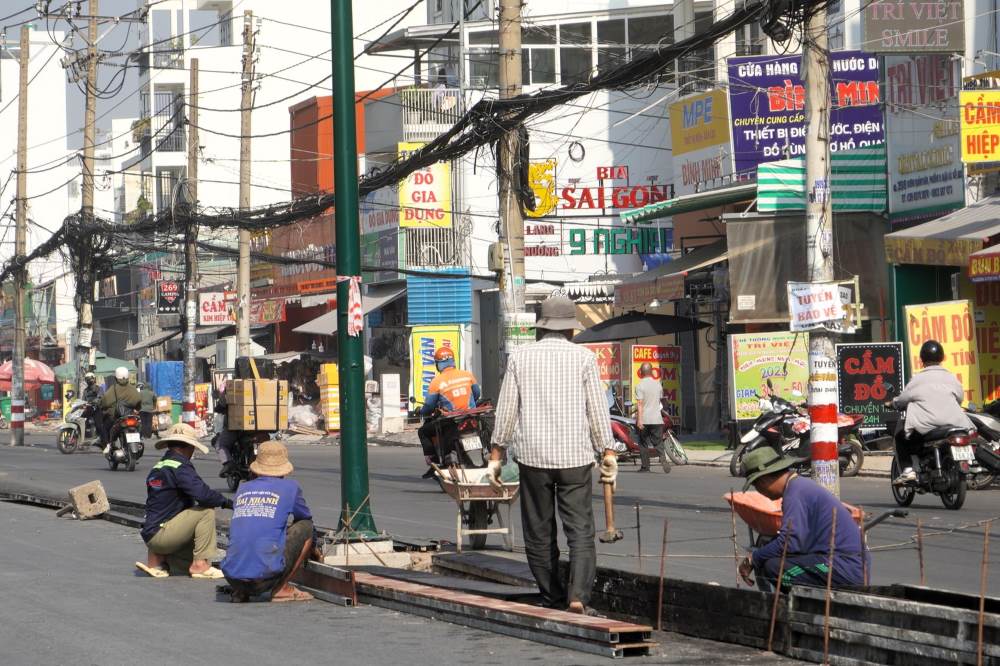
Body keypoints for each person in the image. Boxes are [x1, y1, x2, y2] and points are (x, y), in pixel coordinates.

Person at [487, 294, 616, 615]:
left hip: (533, 458)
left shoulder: (520, 358)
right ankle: (577, 598)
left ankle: (554, 596)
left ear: (540, 328)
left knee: (539, 532)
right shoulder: (584, 359)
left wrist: (495, 454)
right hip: (575, 458)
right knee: (580, 531)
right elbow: (597, 411)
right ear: (571, 329)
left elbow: (506, 411)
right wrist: (608, 451)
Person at [738, 447, 866, 590]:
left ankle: (801, 606)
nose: (760, 491)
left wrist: (753, 559)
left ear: (763, 480)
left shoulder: (795, 493)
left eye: (756, 486)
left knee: (775, 569)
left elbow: (789, 543)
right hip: (843, 564)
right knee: (772, 559)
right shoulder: (798, 487)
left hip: (840, 567)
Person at [221, 441, 319, 602]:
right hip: (264, 580)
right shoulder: (291, 487)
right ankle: (282, 588)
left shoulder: (243, 488)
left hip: (232, 579)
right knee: (306, 527)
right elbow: (304, 517)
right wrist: (314, 549)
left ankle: (240, 592)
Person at [135, 423, 232, 579]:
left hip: (152, 536)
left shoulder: (159, 466)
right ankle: (200, 565)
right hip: (163, 536)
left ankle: (160, 562)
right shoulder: (180, 467)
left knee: (183, 565)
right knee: (206, 512)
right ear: (188, 447)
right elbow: (203, 495)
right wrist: (226, 502)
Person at [891, 340, 974, 485]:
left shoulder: (918, 379)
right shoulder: (951, 377)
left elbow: (902, 400)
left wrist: (893, 403)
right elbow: (960, 398)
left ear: (922, 358)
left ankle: (908, 471)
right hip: (954, 424)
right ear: (942, 357)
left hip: (927, 426)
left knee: (900, 437)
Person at [416, 346, 482, 479]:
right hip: (471, 416)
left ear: (438, 364)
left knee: (423, 431)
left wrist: (421, 412)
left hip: (451, 421)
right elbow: (476, 393)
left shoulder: (437, 382)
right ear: (452, 360)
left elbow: (429, 405)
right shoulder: (467, 375)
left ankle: (433, 461)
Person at [634, 362, 670, 474]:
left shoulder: (639, 386)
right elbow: (660, 401)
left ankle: (645, 466)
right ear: (651, 371)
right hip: (657, 418)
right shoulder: (658, 384)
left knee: (643, 442)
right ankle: (662, 458)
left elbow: (640, 404)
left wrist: (639, 420)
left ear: (641, 372)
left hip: (645, 418)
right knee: (658, 442)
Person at [99, 366, 141, 453]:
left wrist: (102, 406)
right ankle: (139, 442)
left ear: (115, 378)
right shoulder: (133, 389)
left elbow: (105, 401)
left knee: (104, 426)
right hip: (131, 416)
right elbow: (139, 401)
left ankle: (107, 444)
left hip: (116, 417)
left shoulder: (113, 389)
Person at [82, 372, 105, 448]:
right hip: (88, 409)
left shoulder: (99, 388)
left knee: (99, 425)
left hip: (97, 409)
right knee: (82, 421)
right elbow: (83, 400)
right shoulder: (85, 391)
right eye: (87, 379)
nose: (89, 380)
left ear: (94, 379)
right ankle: (84, 439)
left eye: (90, 379)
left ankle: (103, 439)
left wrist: (95, 401)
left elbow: (100, 397)